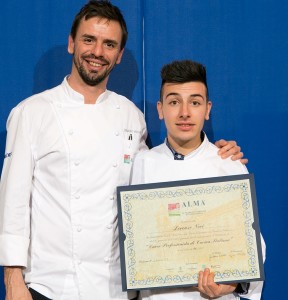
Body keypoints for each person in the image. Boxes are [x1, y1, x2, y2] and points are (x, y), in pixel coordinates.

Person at [0, 1, 246, 300]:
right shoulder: (31, 112)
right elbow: (13, 201)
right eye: (88, 40)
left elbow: (157, 184)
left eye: (109, 44)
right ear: (71, 43)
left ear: (118, 56)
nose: (97, 52)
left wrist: (216, 154)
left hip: (117, 287)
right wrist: (13, 278)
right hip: (50, 285)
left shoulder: (131, 115)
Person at [130, 60, 266, 300]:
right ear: (160, 110)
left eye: (195, 102)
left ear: (207, 109)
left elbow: (253, 247)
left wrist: (230, 285)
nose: (184, 112)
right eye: (174, 102)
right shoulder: (141, 163)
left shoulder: (228, 163)